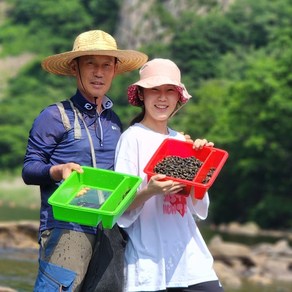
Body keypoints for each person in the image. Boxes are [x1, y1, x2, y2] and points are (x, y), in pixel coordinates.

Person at [22, 29, 148, 291]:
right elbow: (29, 168)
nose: (98, 73)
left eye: (106, 65)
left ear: (115, 70)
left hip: (107, 232)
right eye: (90, 64)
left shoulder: (114, 122)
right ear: (75, 68)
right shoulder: (54, 116)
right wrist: (57, 171)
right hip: (65, 229)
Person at [114, 58, 224, 292]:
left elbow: (196, 205)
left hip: (190, 258)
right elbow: (119, 206)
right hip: (149, 260)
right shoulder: (131, 139)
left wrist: (203, 163)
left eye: (169, 91)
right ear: (142, 95)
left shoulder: (182, 142)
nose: (162, 98)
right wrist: (149, 191)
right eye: (155, 90)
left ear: (178, 98)